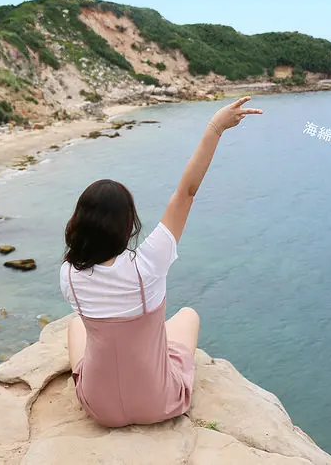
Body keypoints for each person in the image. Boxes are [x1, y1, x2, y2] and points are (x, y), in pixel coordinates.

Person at [60, 96, 263, 428]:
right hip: (158, 401)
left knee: (75, 324)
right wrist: (215, 128)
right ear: (128, 225)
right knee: (188, 316)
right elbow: (185, 193)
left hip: (101, 409)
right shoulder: (149, 264)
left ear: (79, 222)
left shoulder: (68, 275)